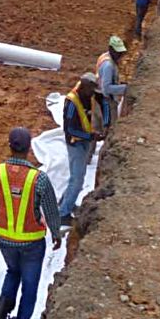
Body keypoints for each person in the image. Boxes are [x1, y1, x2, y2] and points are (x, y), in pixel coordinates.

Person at [0, 127, 62, 319]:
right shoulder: (39, 179)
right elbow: (51, 210)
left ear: (9, 146)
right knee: (29, 287)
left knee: (12, 273)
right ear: (30, 148)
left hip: (6, 239)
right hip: (32, 243)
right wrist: (56, 233)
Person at [58, 73, 99, 226]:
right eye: (91, 90)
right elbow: (69, 129)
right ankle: (63, 214)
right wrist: (89, 136)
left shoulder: (86, 94)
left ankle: (65, 202)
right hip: (76, 144)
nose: (93, 94)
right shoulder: (71, 103)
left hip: (83, 141)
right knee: (77, 180)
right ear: (84, 86)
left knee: (75, 178)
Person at [95, 36, 128, 132]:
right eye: (117, 52)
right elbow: (106, 88)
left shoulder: (104, 56)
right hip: (107, 100)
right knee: (111, 128)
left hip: (99, 96)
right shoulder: (108, 65)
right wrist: (124, 88)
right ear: (111, 49)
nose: (120, 55)